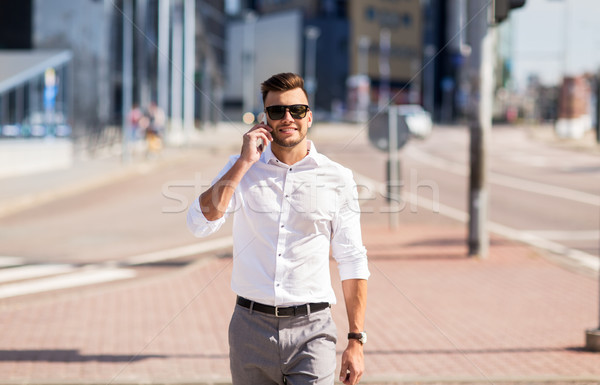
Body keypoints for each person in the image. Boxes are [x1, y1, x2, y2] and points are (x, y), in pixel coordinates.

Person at [187, 73, 369, 385]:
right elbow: (199, 224)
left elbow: (352, 260)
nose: (288, 118)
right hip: (249, 329)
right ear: (264, 121)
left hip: (313, 330)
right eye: (277, 111)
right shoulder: (241, 167)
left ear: (308, 117)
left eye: (296, 110)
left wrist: (355, 340)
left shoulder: (337, 178)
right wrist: (244, 163)